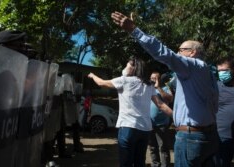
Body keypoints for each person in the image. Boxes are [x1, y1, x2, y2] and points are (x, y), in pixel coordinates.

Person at [111, 11, 219, 167]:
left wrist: (134, 30)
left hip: (191, 138)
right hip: (208, 136)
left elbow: (164, 54)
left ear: (193, 52)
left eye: (181, 50)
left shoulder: (191, 65)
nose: (177, 53)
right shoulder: (208, 72)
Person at [88, 56, 172, 167]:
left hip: (128, 127)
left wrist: (92, 75)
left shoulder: (124, 81)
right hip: (145, 130)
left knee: (126, 163)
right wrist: (177, 116)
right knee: (139, 162)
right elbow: (161, 105)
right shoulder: (149, 85)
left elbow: (101, 83)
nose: (125, 67)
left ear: (132, 68)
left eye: (127, 65)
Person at [215, 57, 234, 167]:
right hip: (221, 138)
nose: (221, 73)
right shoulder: (215, 87)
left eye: (225, 70)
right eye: (219, 71)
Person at [149, 71, 173, 167]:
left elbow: (170, 99)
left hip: (162, 124)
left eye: (156, 78)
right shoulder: (147, 89)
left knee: (163, 147)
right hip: (149, 124)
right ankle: (155, 165)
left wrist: (158, 87)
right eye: (152, 78)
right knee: (152, 147)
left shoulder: (165, 88)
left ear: (159, 79)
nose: (153, 80)